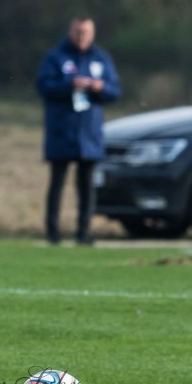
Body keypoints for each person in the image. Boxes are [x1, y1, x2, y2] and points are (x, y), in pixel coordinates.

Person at [34, 16, 121, 246]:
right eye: (78, 32)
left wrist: (99, 87)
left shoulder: (101, 59)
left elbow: (114, 90)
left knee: (86, 186)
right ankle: (53, 234)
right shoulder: (56, 57)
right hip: (62, 131)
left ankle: (83, 234)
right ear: (70, 32)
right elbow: (43, 86)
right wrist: (69, 85)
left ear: (92, 34)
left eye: (86, 33)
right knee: (57, 183)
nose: (82, 37)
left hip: (89, 133)